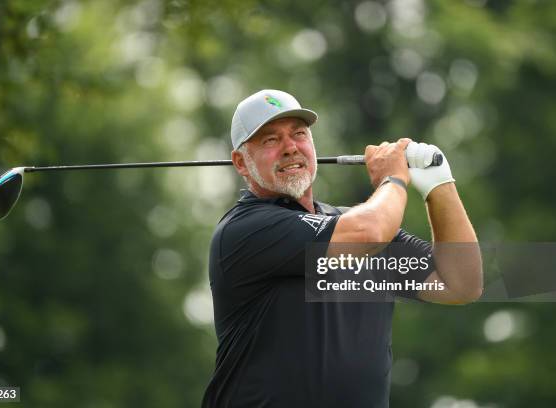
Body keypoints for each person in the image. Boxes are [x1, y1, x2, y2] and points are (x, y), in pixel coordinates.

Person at [201, 89, 483, 408]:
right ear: (241, 161)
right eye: (270, 140)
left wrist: (439, 184)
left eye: (299, 134)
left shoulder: (350, 224)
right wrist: (394, 179)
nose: (290, 148)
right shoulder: (247, 229)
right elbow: (371, 230)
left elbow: (461, 285)